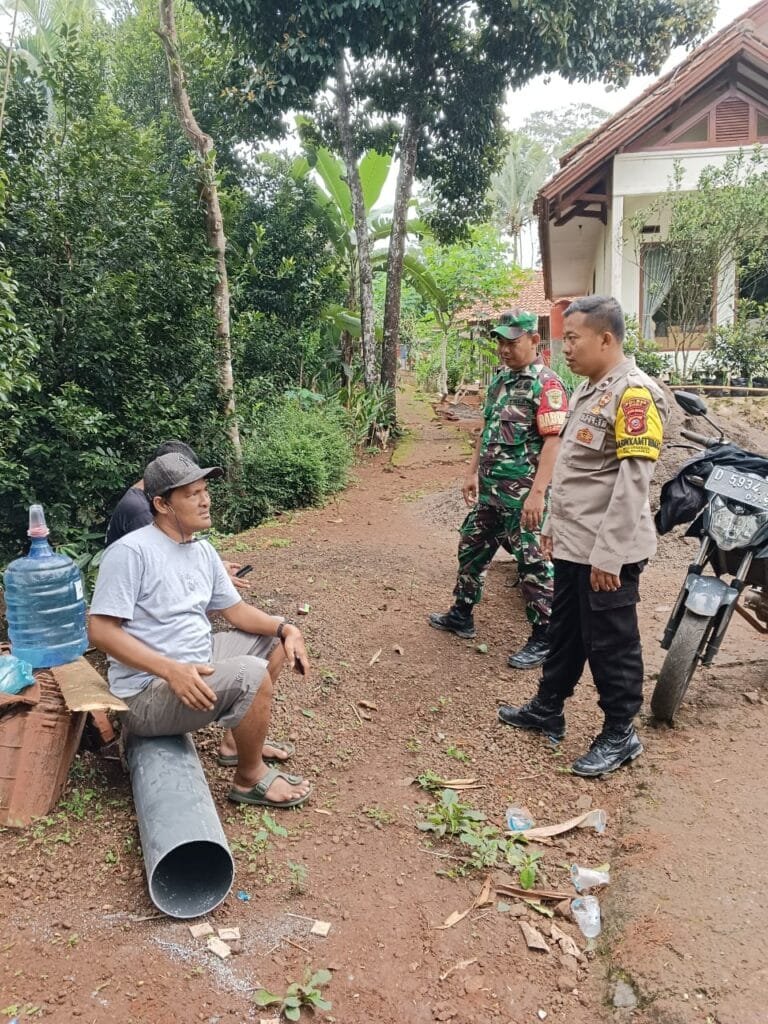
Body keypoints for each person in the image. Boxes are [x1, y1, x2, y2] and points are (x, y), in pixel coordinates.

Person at [498, 295, 669, 777]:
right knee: (564, 630)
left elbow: (633, 482)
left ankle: (620, 733)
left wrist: (610, 557)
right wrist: (552, 526)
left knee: (610, 642)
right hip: (575, 543)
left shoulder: (634, 394)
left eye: (573, 338)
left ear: (606, 338)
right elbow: (574, 471)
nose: (565, 348)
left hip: (607, 550)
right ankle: (547, 706)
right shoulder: (587, 390)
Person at [89, 451, 312, 808]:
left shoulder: (202, 551)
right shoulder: (131, 552)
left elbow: (236, 611)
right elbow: (100, 631)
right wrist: (170, 670)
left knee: (273, 642)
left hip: (196, 659)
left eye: (205, 490)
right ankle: (248, 778)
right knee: (250, 674)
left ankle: (233, 745)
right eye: (192, 494)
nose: (205, 500)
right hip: (147, 692)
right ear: (162, 504)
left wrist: (287, 628)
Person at [429, 309, 569, 668]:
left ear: (534, 341)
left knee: (533, 562)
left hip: (524, 496)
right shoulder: (500, 383)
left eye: (512, 342)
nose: (505, 350)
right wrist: (471, 472)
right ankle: (462, 614)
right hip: (491, 493)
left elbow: (553, 442)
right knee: (471, 547)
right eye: (501, 343)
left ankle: (544, 637)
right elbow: (486, 432)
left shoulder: (547, 385)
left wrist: (538, 493)